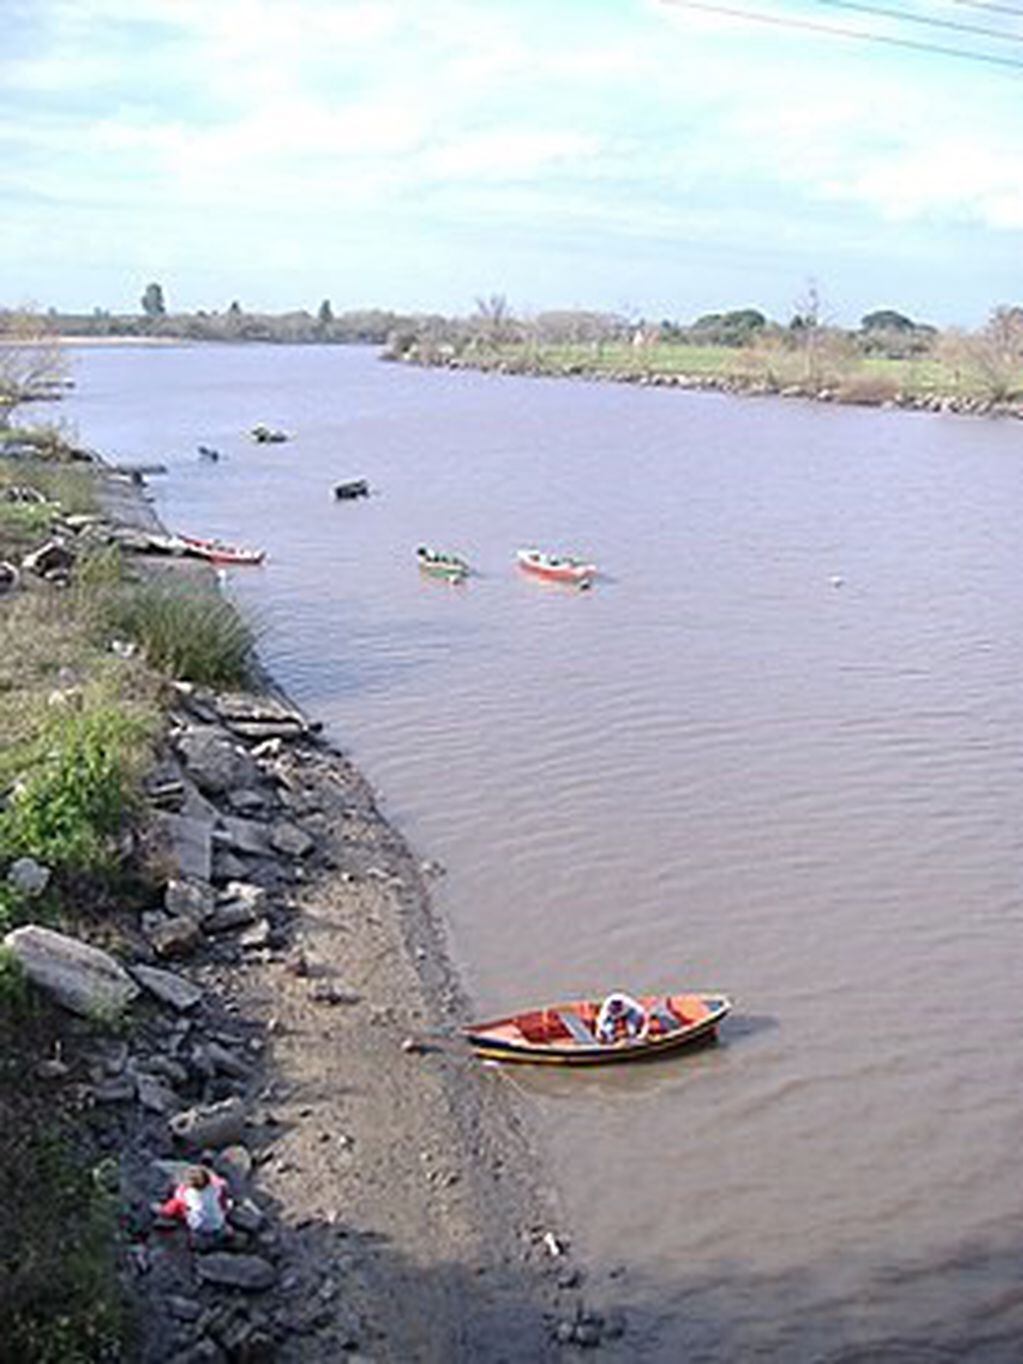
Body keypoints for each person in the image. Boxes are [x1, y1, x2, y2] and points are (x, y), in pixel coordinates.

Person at [152, 1165, 231, 1243]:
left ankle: (164, 1211)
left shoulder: (188, 1193)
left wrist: (182, 1187)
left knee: (177, 1203)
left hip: (198, 1225)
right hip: (218, 1223)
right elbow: (222, 1184)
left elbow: (178, 1196)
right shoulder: (216, 1189)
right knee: (220, 1201)